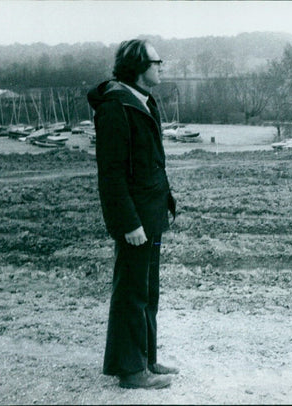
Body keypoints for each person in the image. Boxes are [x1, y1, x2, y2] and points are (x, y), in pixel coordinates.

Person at [87, 39, 178, 390]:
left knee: (147, 290)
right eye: (157, 62)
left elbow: (149, 161)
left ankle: (146, 359)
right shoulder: (115, 107)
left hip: (151, 214)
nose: (161, 67)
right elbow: (110, 174)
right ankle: (129, 369)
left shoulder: (142, 101)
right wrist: (128, 223)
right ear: (138, 67)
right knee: (131, 292)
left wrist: (165, 199)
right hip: (135, 221)